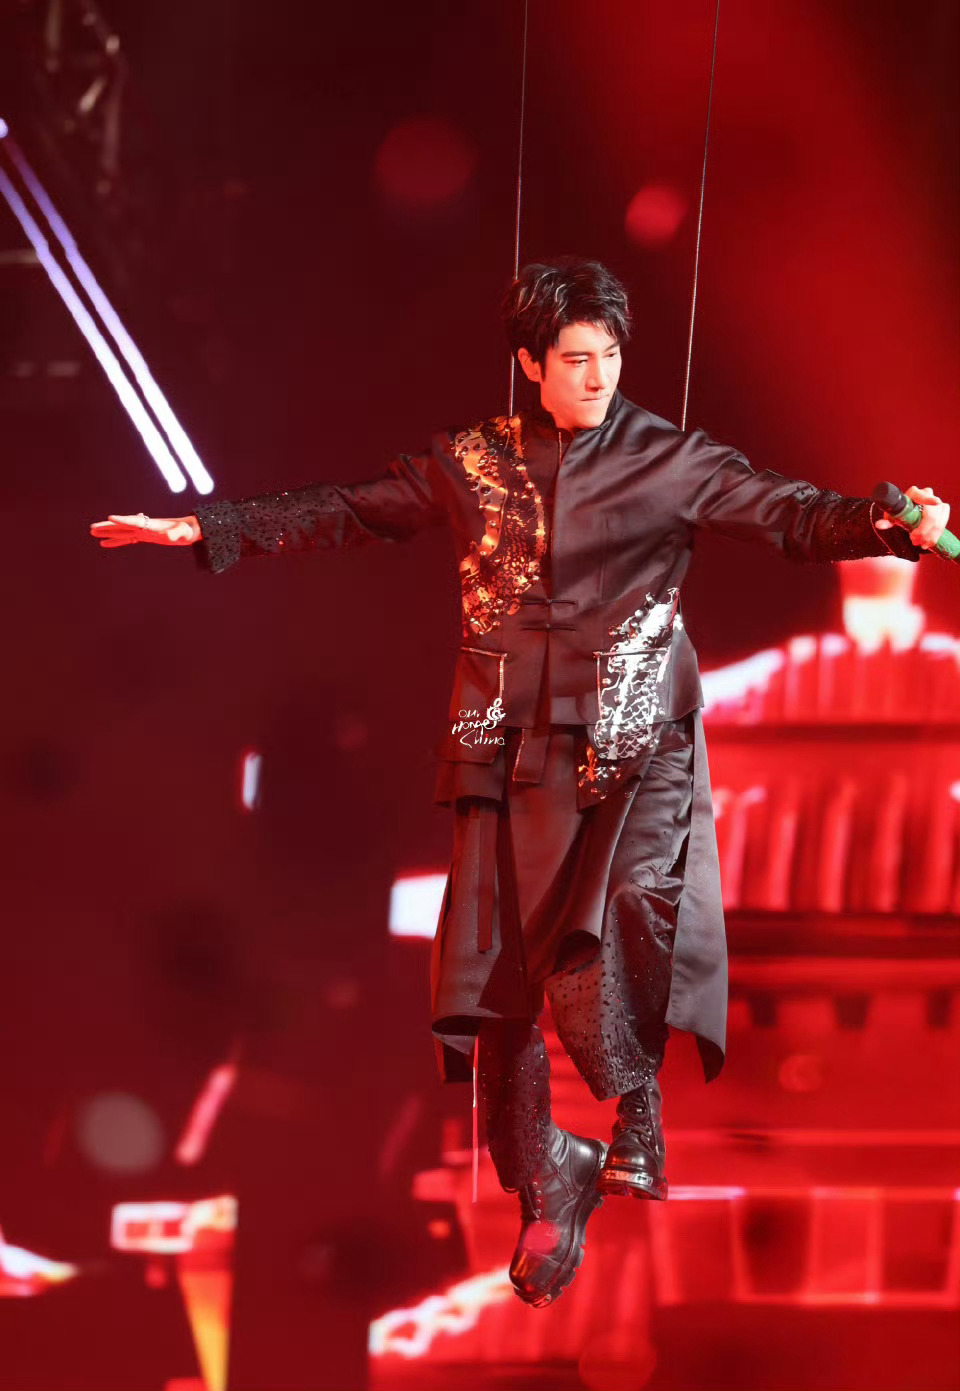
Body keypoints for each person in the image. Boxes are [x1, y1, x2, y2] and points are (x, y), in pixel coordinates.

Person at [91, 258, 950, 1309]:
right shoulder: (474, 461)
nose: (597, 377)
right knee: (492, 986)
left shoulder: (670, 460)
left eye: (610, 357)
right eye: (575, 360)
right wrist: (206, 528)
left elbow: (794, 514)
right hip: (502, 742)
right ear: (530, 365)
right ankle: (547, 1182)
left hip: (632, 742)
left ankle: (636, 1116)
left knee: (606, 923)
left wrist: (887, 523)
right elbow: (354, 509)